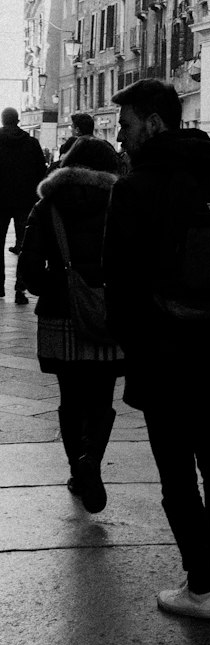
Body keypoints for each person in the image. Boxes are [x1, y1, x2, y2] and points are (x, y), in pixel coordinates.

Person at [103, 80, 210, 620]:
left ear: (152, 122)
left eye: (125, 125)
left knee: (175, 470)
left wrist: (130, 346)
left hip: (161, 353)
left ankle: (199, 588)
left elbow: (117, 284)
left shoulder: (133, 190)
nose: (120, 138)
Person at [18, 137, 124, 511]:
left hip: (60, 317)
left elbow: (29, 273)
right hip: (108, 315)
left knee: (70, 400)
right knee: (102, 399)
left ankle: (77, 472)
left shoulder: (47, 207)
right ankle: (91, 459)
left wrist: (62, 287)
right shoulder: (120, 204)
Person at [0, 106, 47, 304]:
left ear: (3, 121)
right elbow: (40, 174)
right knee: (23, 246)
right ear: (18, 120)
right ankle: (20, 289)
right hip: (25, 202)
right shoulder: (32, 143)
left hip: (0, 202)